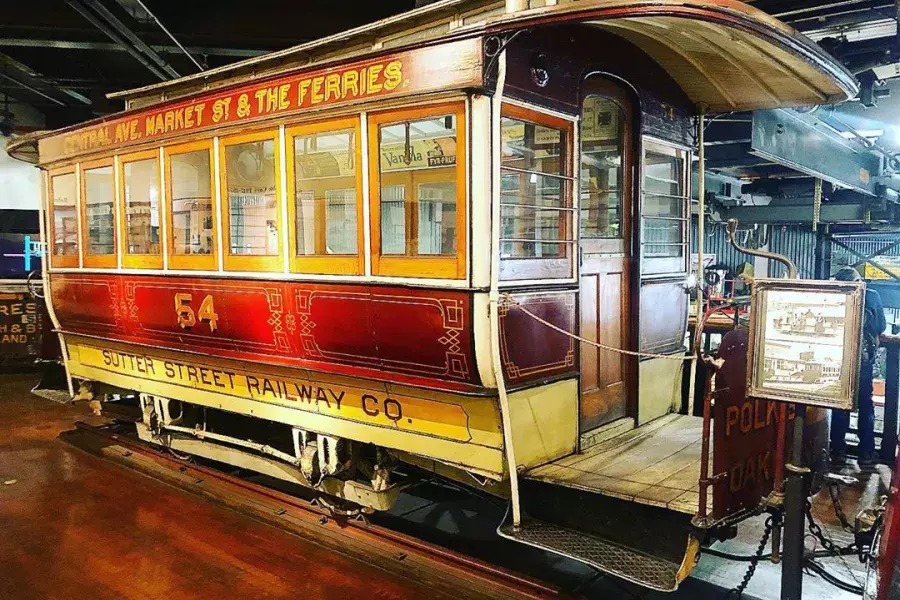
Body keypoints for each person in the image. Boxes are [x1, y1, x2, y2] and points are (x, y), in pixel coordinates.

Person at [830, 266, 888, 467]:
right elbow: (881, 326)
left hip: (839, 358)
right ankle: (866, 452)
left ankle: (837, 451)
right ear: (859, 280)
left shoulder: (835, 295)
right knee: (865, 405)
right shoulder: (871, 295)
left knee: (840, 405)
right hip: (863, 360)